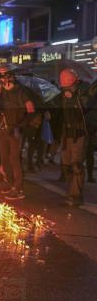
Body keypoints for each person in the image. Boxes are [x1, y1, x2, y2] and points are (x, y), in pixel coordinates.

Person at [0, 64, 35, 200]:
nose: (2, 79)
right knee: (4, 158)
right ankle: (11, 184)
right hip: (4, 129)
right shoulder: (3, 92)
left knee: (14, 159)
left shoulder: (20, 91)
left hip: (16, 130)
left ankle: (18, 189)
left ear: (10, 76)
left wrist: (21, 126)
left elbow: (31, 110)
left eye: (4, 76)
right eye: (0, 76)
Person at [58, 68, 97, 206]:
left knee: (76, 165)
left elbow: (89, 101)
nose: (66, 89)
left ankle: (76, 196)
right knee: (66, 165)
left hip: (80, 133)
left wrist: (76, 97)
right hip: (67, 133)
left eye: (69, 86)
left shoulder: (85, 91)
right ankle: (70, 191)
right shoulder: (63, 94)